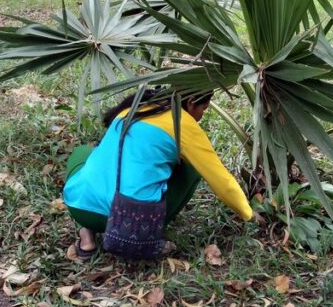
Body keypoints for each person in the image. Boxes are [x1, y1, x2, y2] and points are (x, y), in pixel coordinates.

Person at [62, 88, 253, 261]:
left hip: (80, 207)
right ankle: (152, 233)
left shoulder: (135, 107)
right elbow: (221, 180)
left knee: (82, 153)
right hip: (131, 223)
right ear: (192, 101)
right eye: (203, 109)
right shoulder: (182, 123)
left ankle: (86, 236)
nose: (201, 116)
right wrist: (248, 214)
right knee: (192, 167)